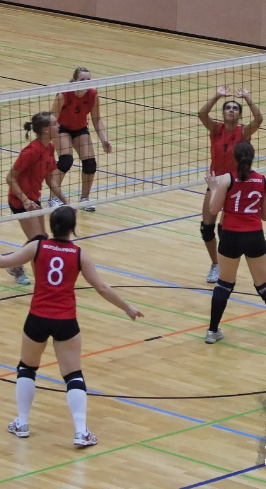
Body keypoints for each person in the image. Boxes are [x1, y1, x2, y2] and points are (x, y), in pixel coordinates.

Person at [0, 206, 143, 447]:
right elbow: (101, 288)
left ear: (51, 225)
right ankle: (80, 432)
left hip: (37, 317)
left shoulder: (37, 247)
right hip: (65, 320)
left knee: (27, 368)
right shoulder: (79, 254)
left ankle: (22, 424)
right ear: (72, 228)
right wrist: (126, 307)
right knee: (73, 375)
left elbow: (4, 262)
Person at [204, 141, 266, 345]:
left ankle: (212, 332)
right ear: (252, 158)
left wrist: (213, 188)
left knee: (224, 285)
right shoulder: (264, 181)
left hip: (230, 236)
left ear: (234, 158)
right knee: (265, 285)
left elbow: (214, 209)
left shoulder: (227, 179)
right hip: (254, 236)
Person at [198, 85, 263, 283]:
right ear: (223, 113)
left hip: (235, 185)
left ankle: (225, 264)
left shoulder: (243, 132)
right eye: (228, 108)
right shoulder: (216, 129)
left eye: (235, 108)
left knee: (224, 230)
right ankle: (215, 264)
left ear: (239, 115)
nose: (231, 110)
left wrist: (248, 98)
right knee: (206, 228)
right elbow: (202, 114)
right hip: (215, 182)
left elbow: (259, 119)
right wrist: (217, 96)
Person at [6, 112, 68, 285]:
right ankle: (41, 282)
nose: (58, 126)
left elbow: (50, 180)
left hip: (34, 198)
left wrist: (65, 201)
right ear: (46, 129)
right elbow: (10, 178)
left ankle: (14, 265)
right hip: (20, 200)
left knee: (42, 237)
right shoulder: (31, 151)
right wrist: (25, 200)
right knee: (38, 241)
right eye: (55, 124)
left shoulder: (49, 148)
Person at [48, 67, 112, 212]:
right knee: (66, 161)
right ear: (74, 81)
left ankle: (85, 198)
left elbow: (96, 119)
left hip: (80, 128)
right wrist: (48, 139)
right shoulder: (64, 95)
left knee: (90, 163)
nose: (86, 82)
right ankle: (52, 199)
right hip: (61, 128)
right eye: (82, 79)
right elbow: (52, 119)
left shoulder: (93, 95)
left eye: (88, 79)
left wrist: (104, 140)